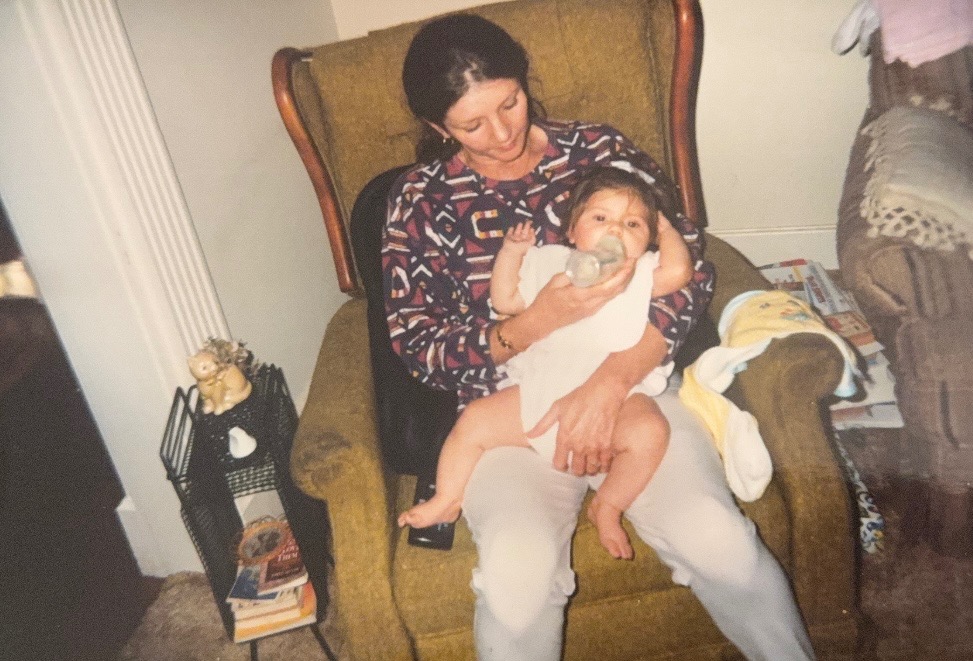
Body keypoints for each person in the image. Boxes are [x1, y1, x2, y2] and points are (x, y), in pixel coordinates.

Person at [382, 13, 816, 661]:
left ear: (524, 79)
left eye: (511, 103)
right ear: (438, 127)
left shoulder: (597, 151)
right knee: (517, 577)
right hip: (515, 414)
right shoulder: (421, 200)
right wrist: (532, 324)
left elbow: (688, 273)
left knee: (718, 540)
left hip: (635, 389)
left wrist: (610, 382)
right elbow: (419, 345)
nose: (502, 134)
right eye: (472, 125)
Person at [397, 166, 693, 561]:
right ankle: (448, 498)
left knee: (651, 432)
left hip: (614, 399)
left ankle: (608, 505)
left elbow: (679, 272)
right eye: (600, 218)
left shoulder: (638, 272)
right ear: (572, 231)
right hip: (539, 390)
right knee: (473, 421)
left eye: (633, 224)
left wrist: (666, 229)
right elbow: (505, 301)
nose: (615, 230)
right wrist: (512, 254)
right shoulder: (551, 263)